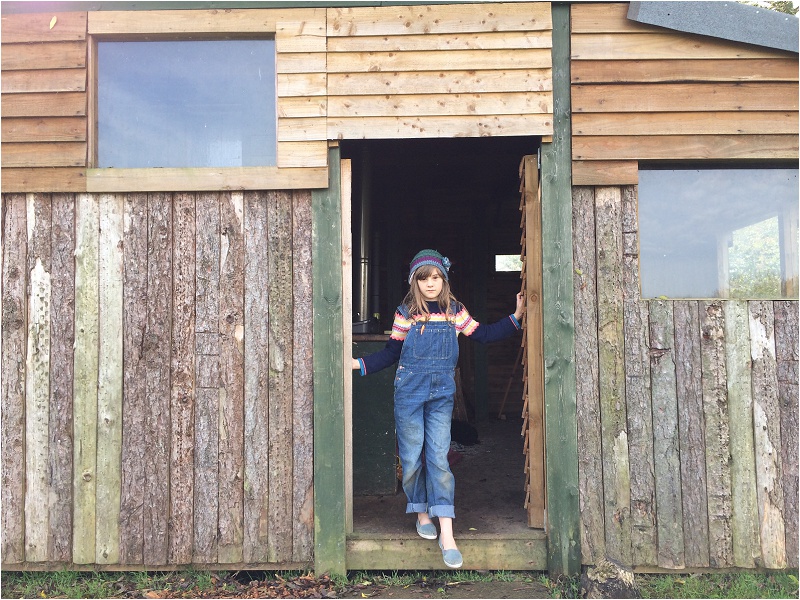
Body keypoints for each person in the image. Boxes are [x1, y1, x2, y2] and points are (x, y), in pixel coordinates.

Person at [352, 249, 524, 569]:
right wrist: (358, 364)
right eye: (423, 278)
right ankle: (421, 513)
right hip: (409, 393)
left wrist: (517, 316)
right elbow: (391, 353)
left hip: (441, 395)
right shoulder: (406, 313)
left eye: (435, 277)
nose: (430, 284)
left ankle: (447, 533)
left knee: (439, 460)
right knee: (411, 459)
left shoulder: (455, 312)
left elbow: (484, 334)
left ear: (443, 280)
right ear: (414, 282)